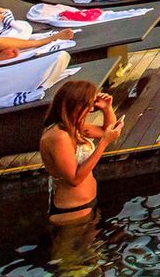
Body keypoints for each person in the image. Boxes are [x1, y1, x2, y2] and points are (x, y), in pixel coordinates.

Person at [39, 78, 123, 222]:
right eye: (89, 106)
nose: (91, 110)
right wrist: (103, 144)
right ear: (77, 106)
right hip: (72, 210)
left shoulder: (73, 128)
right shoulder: (58, 136)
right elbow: (74, 179)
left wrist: (106, 109)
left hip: (88, 203)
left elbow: (106, 130)